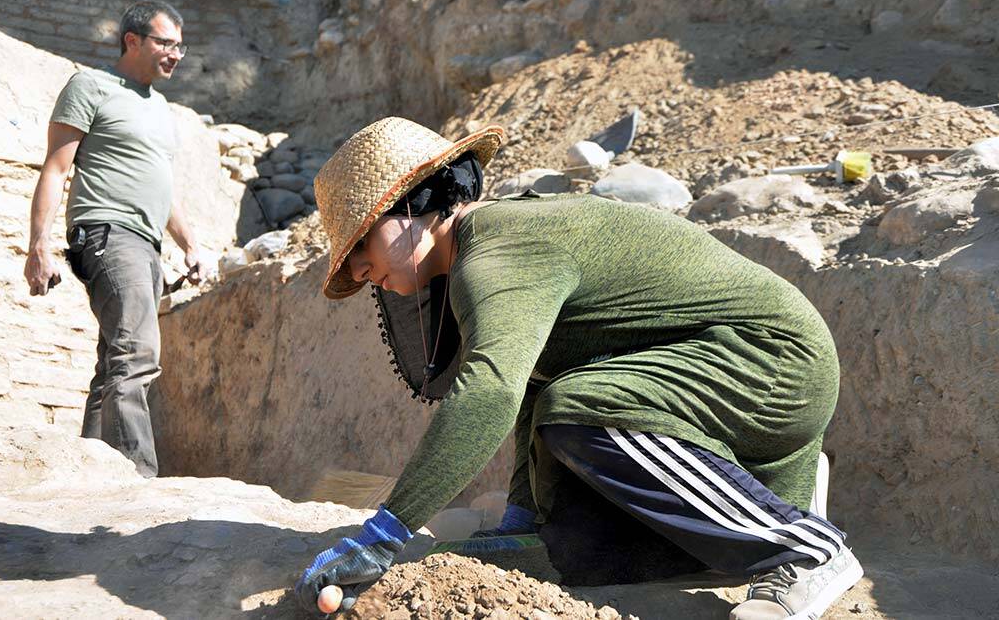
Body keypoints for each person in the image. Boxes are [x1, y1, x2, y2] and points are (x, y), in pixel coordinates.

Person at [294, 117, 864, 618]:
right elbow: (531, 389)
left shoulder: (497, 253)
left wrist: (384, 533)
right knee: (575, 550)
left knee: (578, 407)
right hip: (720, 383)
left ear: (412, 205)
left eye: (360, 243)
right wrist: (522, 525)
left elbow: (491, 392)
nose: (362, 270)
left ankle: (804, 550)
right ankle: (768, 497)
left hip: (773, 365)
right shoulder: (493, 246)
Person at [22, 0, 207, 478]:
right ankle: (137, 478)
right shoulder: (91, 86)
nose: (176, 55)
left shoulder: (160, 107)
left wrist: (189, 244)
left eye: (180, 46)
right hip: (107, 233)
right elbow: (56, 168)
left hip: (147, 243)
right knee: (137, 352)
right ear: (132, 40)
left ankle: (91, 472)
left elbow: (162, 188)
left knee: (115, 362)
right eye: (166, 43)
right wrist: (38, 246)